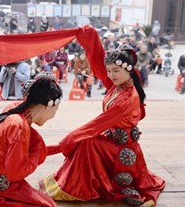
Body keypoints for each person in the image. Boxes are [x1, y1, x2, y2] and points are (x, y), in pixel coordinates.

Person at [39, 27, 165, 206]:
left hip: (122, 149)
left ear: (128, 69)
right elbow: (98, 65)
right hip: (112, 141)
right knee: (86, 140)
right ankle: (77, 185)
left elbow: (97, 125)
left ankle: (79, 188)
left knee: (85, 141)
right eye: (109, 70)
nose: (111, 75)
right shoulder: (119, 85)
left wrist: (66, 142)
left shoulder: (127, 98)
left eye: (115, 71)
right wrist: (88, 35)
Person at [0, 72, 62, 207]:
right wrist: (36, 151)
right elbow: (15, 173)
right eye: (56, 109)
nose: (54, 114)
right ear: (48, 105)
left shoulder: (16, 109)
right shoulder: (19, 126)